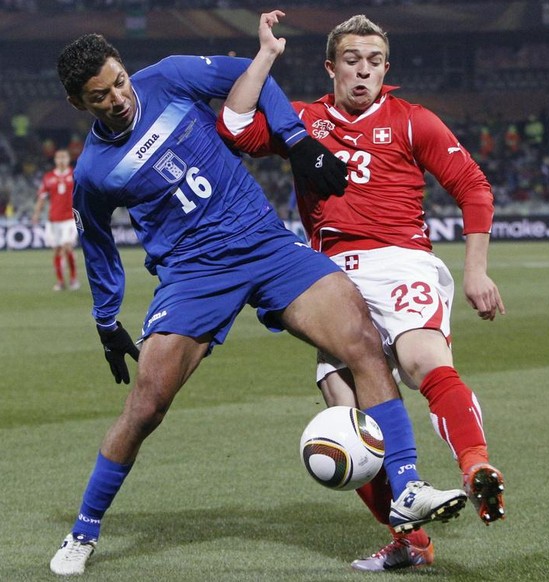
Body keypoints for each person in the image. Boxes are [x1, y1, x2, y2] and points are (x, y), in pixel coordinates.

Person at [49, 12, 466, 577]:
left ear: (125, 68)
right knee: (146, 407)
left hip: (266, 244)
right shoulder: (94, 174)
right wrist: (106, 319)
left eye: (120, 80)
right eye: (101, 96)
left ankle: (408, 485)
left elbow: (256, 76)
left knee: (361, 341)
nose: (119, 97)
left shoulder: (169, 77)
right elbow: (96, 248)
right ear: (81, 104)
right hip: (194, 275)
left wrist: (295, 139)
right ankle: (84, 531)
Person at [218, 12, 506, 573]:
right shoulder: (301, 119)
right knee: (344, 424)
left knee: (424, 360)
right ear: (331, 66)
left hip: (400, 262)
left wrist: (476, 271)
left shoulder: (412, 120)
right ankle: (410, 540)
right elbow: (234, 126)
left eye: (374, 62)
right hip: (331, 279)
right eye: (351, 60)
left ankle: (476, 467)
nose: (362, 72)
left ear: (386, 69)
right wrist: (266, 56)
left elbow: (472, 186)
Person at [31, 148, 80, 291]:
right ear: (55, 160)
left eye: (64, 157)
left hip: (70, 218)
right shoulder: (48, 177)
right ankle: (60, 281)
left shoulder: (75, 174)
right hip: (53, 219)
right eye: (59, 158)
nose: (62, 160)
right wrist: (36, 213)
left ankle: (73, 279)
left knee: (67, 246)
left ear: (68, 159)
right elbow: (42, 198)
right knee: (57, 250)